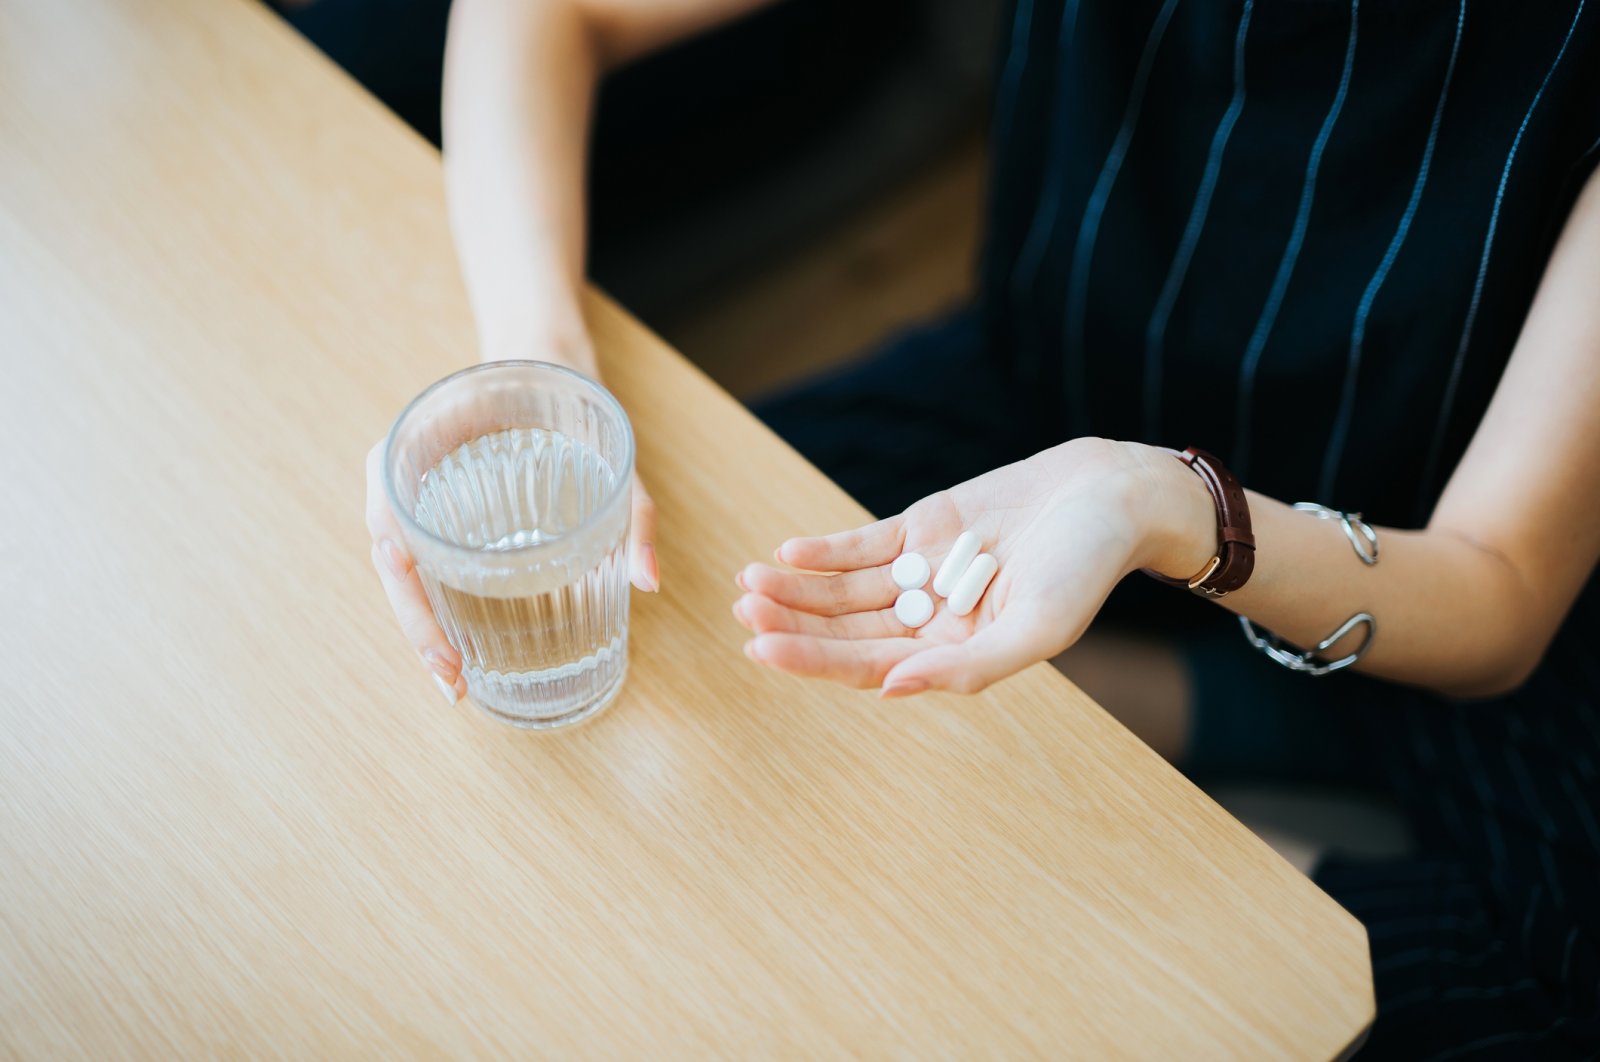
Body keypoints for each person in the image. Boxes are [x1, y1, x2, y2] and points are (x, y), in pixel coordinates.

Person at [361, 0, 1600, 1054]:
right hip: (1042, 412)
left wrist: (1167, 508)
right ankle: (1204, 703)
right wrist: (540, 376)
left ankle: (1255, 709)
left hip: (1419, 567)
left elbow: (1498, 590)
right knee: (696, 602)